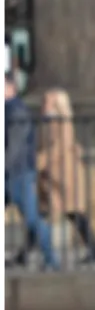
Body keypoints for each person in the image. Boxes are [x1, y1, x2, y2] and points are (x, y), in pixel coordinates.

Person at [34, 89, 95, 264]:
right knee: (41, 213)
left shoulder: (62, 121)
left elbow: (60, 146)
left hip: (64, 175)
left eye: (49, 100)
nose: (45, 103)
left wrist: (39, 162)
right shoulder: (48, 121)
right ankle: (94, 249)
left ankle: (94, 249)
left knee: (72, 213)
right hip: (51, 176)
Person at [4, 52, 60, 272]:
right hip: (13, 172)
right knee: (32, 218)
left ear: (9, 87)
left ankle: (51, 259)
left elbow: (14, 147)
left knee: (32, 219)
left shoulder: (16, 110)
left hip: (18, 173)